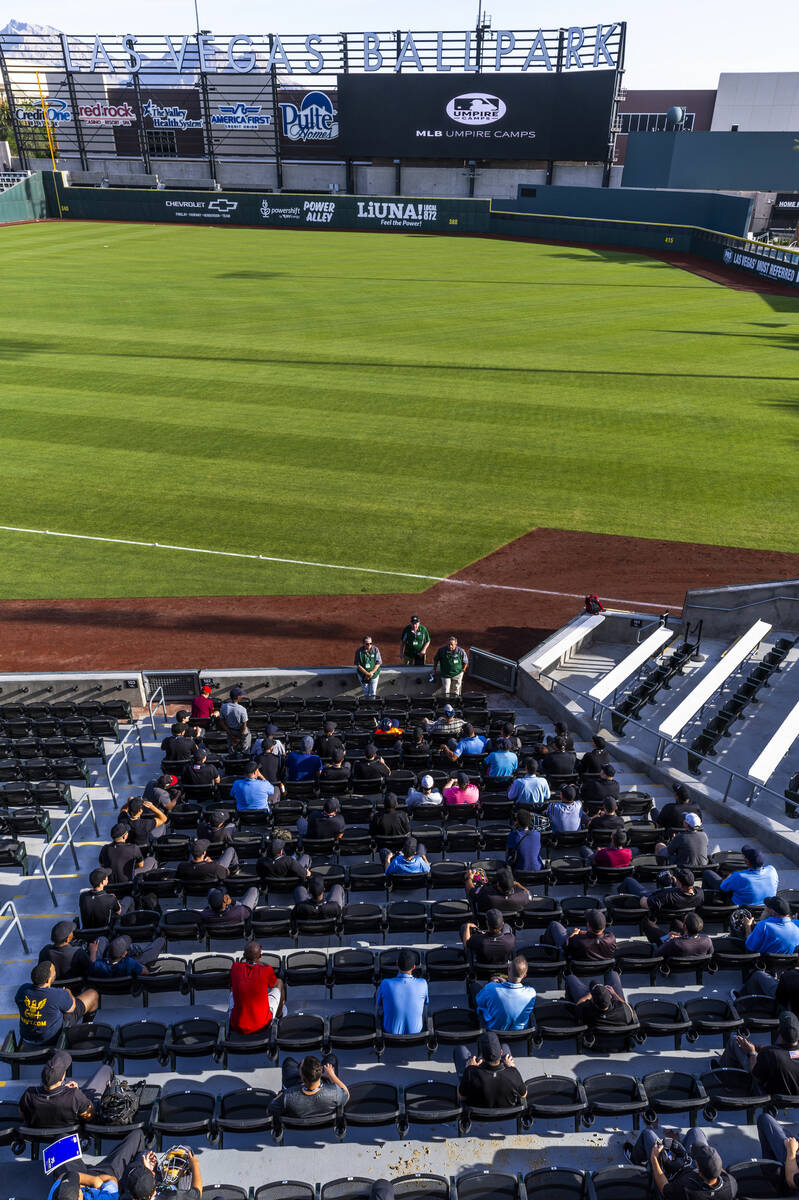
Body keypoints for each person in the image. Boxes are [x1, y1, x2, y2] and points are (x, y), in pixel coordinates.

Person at [625, 1128, 737, 1200]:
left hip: (673, 1183)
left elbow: (664, 1189)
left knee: (647, 1134)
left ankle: (636, 1159)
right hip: (690, 1171)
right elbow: (715, 1168)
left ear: (699, 1169)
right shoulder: (731, 1183)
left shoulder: (687, 1191)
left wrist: (654, 1158)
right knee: (696, 1132)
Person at [19, 1048, 112, 1127]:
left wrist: (65, 1090)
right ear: (61, 1079)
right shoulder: (74, 1095)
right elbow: (90, 1116)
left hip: (40, 1133)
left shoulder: (29, 1095)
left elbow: (24, 1116)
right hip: (70, 1134)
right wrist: (79, 1093)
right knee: (105, 1070)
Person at [16, 961, 99, 1046]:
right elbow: (72, 1008)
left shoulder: (23, 990)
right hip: (52, 1039)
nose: (55, 973)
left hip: (27, 1038)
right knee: (93, 994)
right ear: (48, 979)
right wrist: (68, 992)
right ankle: (86, 1028)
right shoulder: (57, 994)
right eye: (54, 971)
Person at [719, 1010, 799, 1095]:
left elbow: (756, 1076)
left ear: (779, 1030)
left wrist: (752, 1052)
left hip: (765, 1094)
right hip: (792, 1099)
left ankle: (723, 1079)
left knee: (734, 1041)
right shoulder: (772, 1052)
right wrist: (757, 1048)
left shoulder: (770, 1054)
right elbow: (787, 1053)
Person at [454, 1031, 527, 1108]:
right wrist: (511, 1067)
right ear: (501, 1052)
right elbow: (524, 1095)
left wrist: (468, 1068)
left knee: (460, 1049)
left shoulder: (470, 1073)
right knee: (505, 1046)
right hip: (506, 1112)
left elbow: (461, 1097)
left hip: (478, 1111)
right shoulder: (513, 1073)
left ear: (481, 1056)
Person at [269, 1053, 349, 1120]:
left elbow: (271, 1109)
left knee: (288, 1062)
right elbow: (346, 1094)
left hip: (294, 1086)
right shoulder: (334, 1093)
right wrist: (331, 1075)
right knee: (331, 1058)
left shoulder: (286, 1097)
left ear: (302, 1078)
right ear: (320, 1073)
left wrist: (282, 1093)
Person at [230, 941, 285, 1034]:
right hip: (262, 1025)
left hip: (237, 1025)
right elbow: (274, 984)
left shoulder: (235, 967)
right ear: (260, 956)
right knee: (279, 982)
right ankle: (279, 1015)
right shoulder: (266, 969)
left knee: (233, 989)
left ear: (243, 955)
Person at [375, 948, 429, 1035]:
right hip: (416, 1034)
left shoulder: (385, 983)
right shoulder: (423, 983)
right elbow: (426, 1004)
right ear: (414, 967)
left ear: (397, 964)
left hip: (390, 1034)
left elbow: (378, 1006)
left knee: (379, 998)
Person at [475, 956, 536, 1031]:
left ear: (509, 969)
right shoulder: (531, 993)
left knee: (474, 987)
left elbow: (479, 1001)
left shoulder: (491, 987)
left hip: (494, 1031)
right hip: (520, 1033)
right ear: (524, 975)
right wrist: (505, 984)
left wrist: (495, 985)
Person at [703, 845, 779, 904]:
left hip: (740, 909)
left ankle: (706, 902)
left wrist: (729, 876)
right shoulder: (772, 870)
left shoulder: (739, 876)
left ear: (747, 862)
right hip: (765, 907)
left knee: (707, 873)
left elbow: (722, 887)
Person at [566, 971, 635, 1030]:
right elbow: (630, 1010)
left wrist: (590, 994)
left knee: (570, 978)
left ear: (592, 1001)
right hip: (610, 1032)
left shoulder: (586, 1012)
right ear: (611, 998)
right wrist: (615, 994)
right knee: (613, 974)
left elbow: (578, 1004)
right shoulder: (623, 1011)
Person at [542, 908, 616, 961]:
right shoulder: (611, 938)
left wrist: (573, 934)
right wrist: (587, 933)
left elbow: (565, 946)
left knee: (554, 924)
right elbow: (597, 939)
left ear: (588, 925)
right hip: (599, 967)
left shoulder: (578, 940)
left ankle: (548, 951)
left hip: (573, 961)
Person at [90, 934, 165, 980]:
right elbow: (146, 972)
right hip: (132, 971)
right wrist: (139, 964)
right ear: (124, 954)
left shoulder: (99, 965)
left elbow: (92, 964)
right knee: (161, 940)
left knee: (102, 939)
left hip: (107, 984)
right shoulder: (130, 963)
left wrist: (93, 951)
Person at [642, 911, 714, 960]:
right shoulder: (707, 940)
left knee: (648, 924)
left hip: (671, 959)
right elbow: (710, 954)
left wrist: (667, 938)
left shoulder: (674, 943)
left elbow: (657, 954)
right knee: (676, 922)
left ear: (685, 927)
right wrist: (682, 938)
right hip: (692, 958)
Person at [756, 1112, 799, 1191]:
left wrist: (791, 1150)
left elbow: (792, 1181)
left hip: (792, 1161)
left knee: (764, 1119)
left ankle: (772, 1171)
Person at [219, 686, 252, 753]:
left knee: (231, 752)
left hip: (230, 731)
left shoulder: (223, 706)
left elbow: (222, 722)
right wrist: (238, 738)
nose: (242, 696)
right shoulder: (242, 709)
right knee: (246, 751)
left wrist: (231, 735)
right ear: (238, 697)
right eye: (241, 695)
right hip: (241, 733)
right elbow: (244, 726)